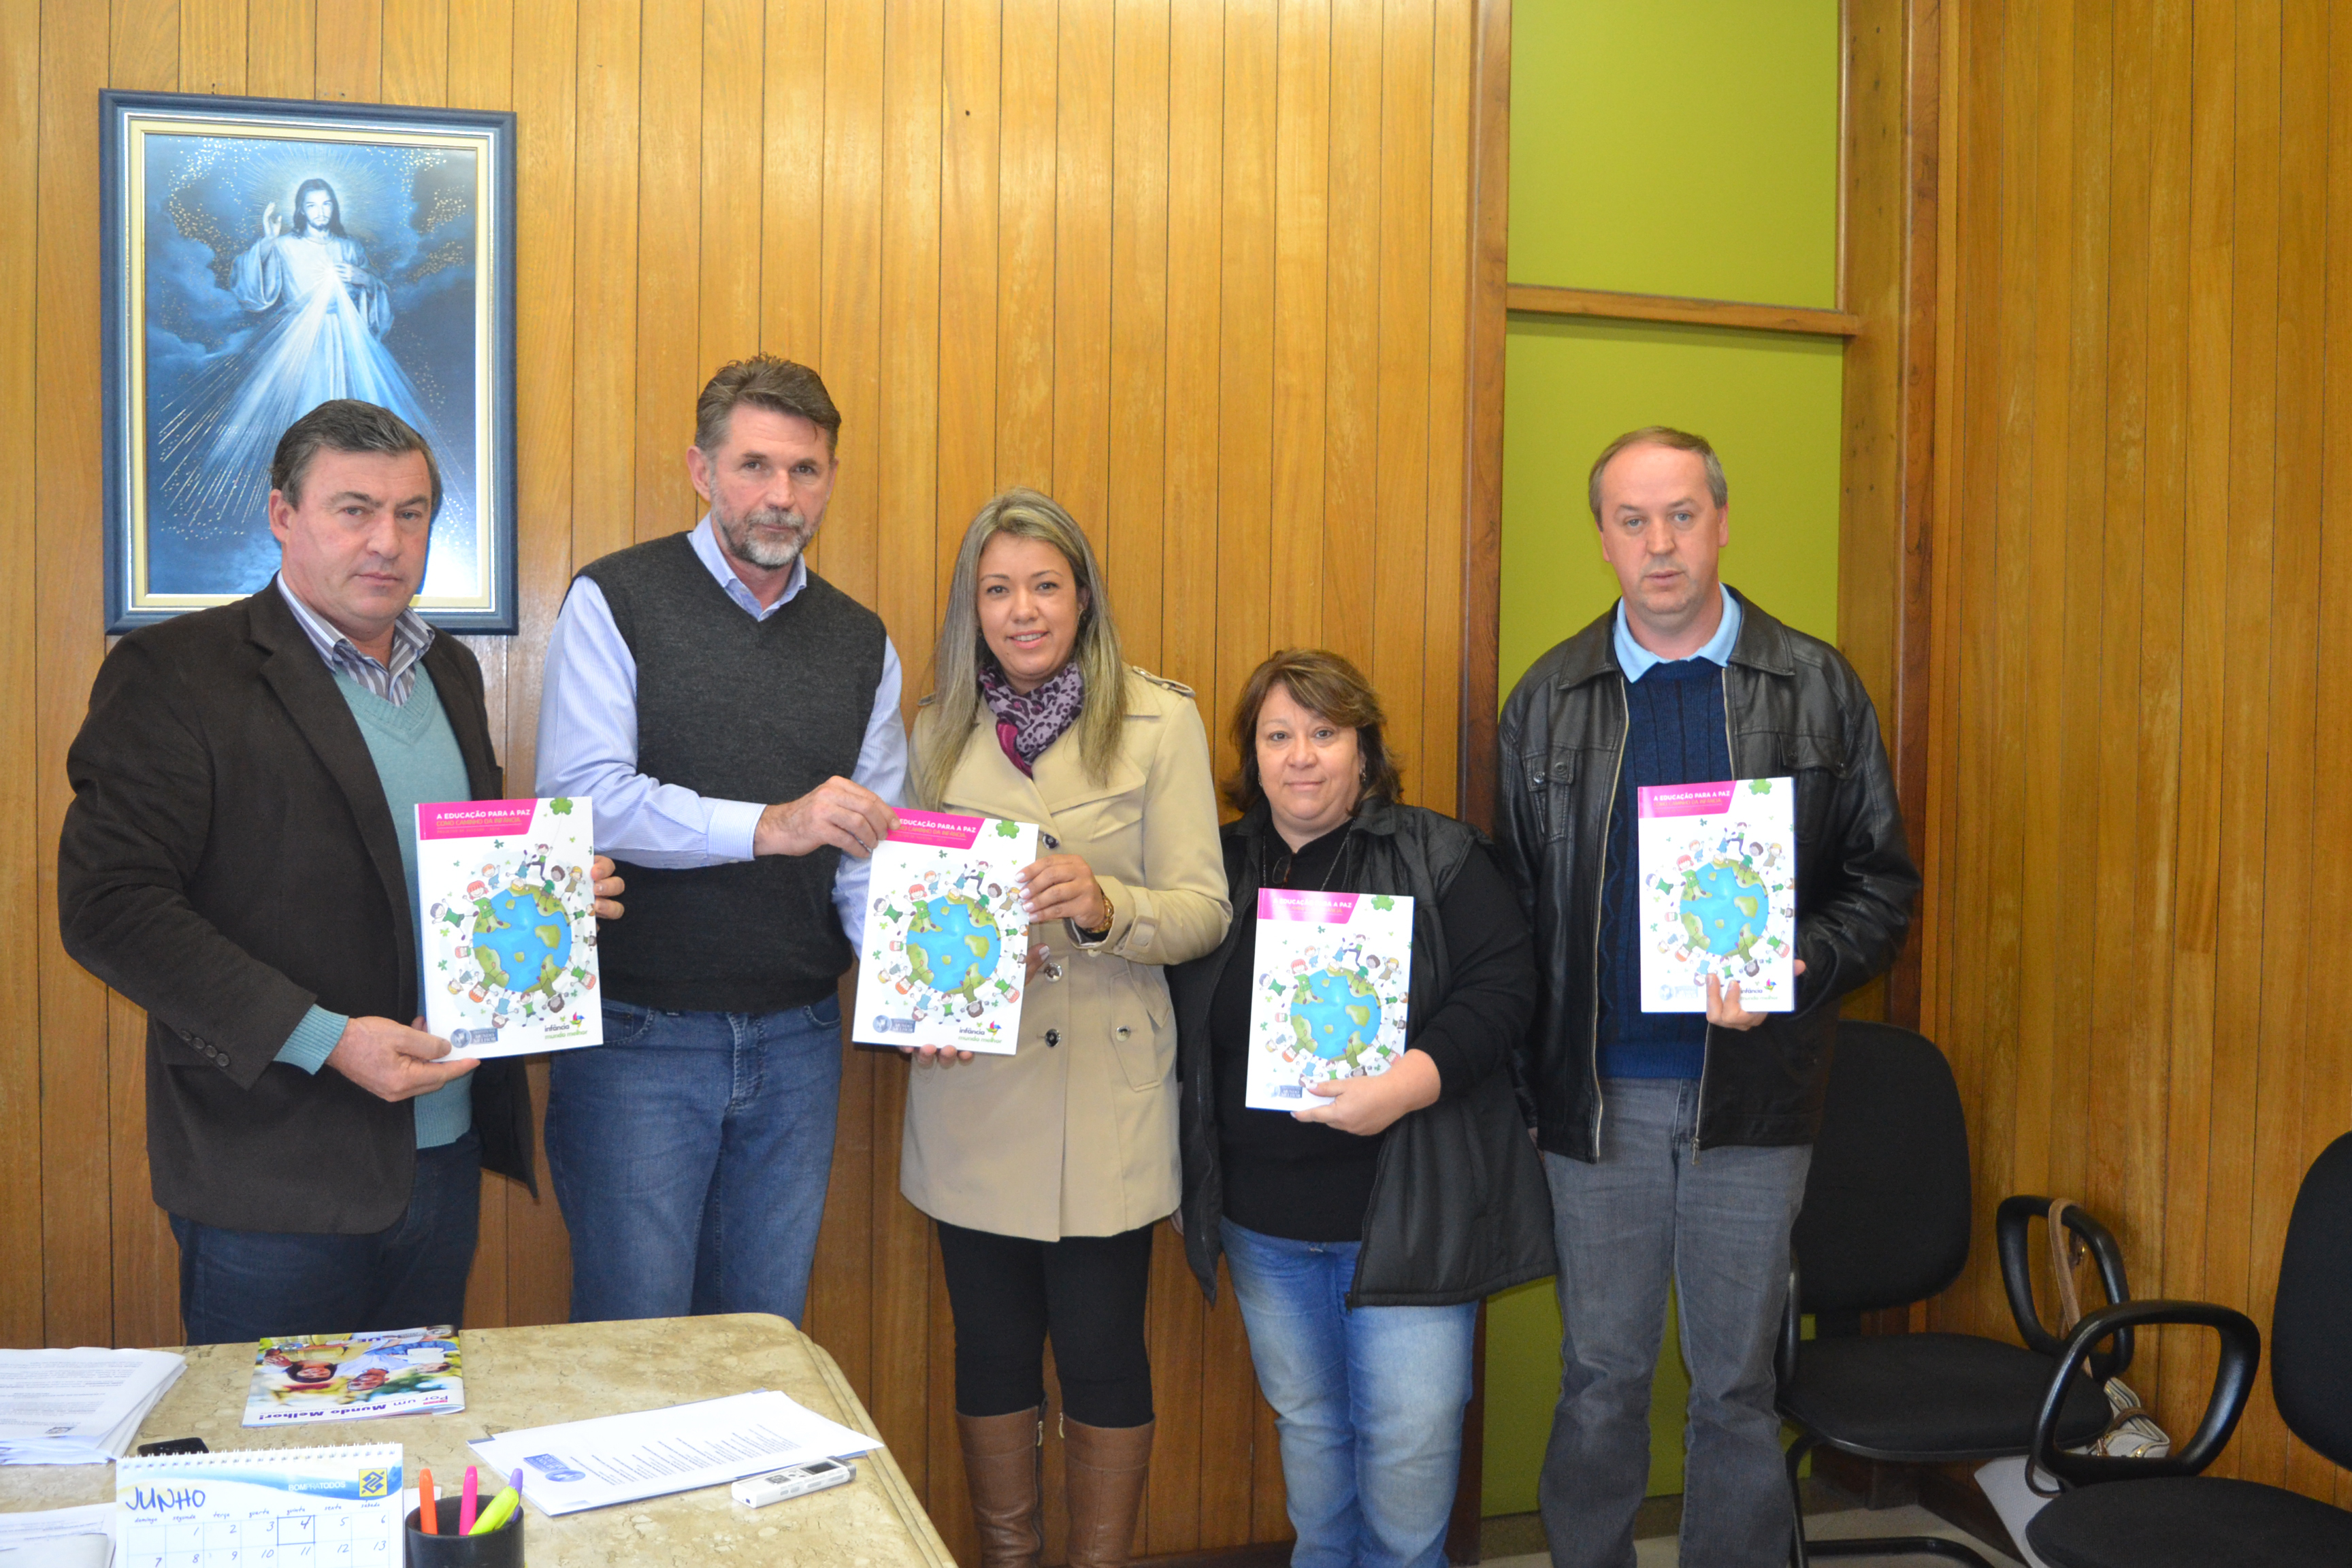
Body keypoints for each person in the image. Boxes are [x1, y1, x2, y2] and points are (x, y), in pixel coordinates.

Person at [58, 398, 624, 1343]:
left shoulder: (450, 671)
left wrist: (551, 897)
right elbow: (109, 907)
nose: (387, 542)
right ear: (284, 515)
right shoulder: (176, 672)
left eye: (411, 513)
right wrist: (324, 1039)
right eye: (353, 510)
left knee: (414, 1427)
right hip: (272, 1171)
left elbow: (434, 883)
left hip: (442, 1151)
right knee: (269, 1441)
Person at [1496, 427, 1920, 1568]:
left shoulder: (1817, 686)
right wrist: (1529, 1095)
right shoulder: (1546, 701)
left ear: (1723, 522)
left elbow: (1882, 889)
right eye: (1632, 521)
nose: (1660, 544)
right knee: (1601, 1375)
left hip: (1755, 1097)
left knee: (1736, 1385)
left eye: (1682, 515)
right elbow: (1517, 921)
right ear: (1602, 539)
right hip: (1602, 1101)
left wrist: (1796, 965)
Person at [534, 353, 906, 1326]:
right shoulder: (615, 599)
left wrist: (918, 989)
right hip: (639, 1042)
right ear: (702, 470)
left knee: (762, 1340)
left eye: (805, 470)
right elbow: (585, 800)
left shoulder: (863, 642)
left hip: (799, 1041)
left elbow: (868, 855)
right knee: (636, 1341)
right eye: (754, 466)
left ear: (831, 478)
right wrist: (770, 827)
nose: (781, 496)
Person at [898, 489, 1230, 1568]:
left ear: (1083, 597)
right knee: (991, 1355)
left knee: (1102, 1356)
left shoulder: (1159, 722)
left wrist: (1106, 905)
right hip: (972, 1093)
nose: (1023, 610)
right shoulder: (933, 732)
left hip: (1104, 1095)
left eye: (1045, 585)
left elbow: (1205, 909)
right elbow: (909, 908)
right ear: (973, 607)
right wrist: (917, 1004)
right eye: (998, 590)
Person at [1170, 649, 1554, 1568]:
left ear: (1365, 749)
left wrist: (1406, 1083)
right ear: (1252, 756)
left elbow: (1504, 991)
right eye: (1278, 735)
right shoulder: (1212, 866)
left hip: (1409, 1213)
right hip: (1263, 1220)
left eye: (1325, 732)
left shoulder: (1441, 854)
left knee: (1410, 1447)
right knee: (1309, 1429)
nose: (1301, 756)